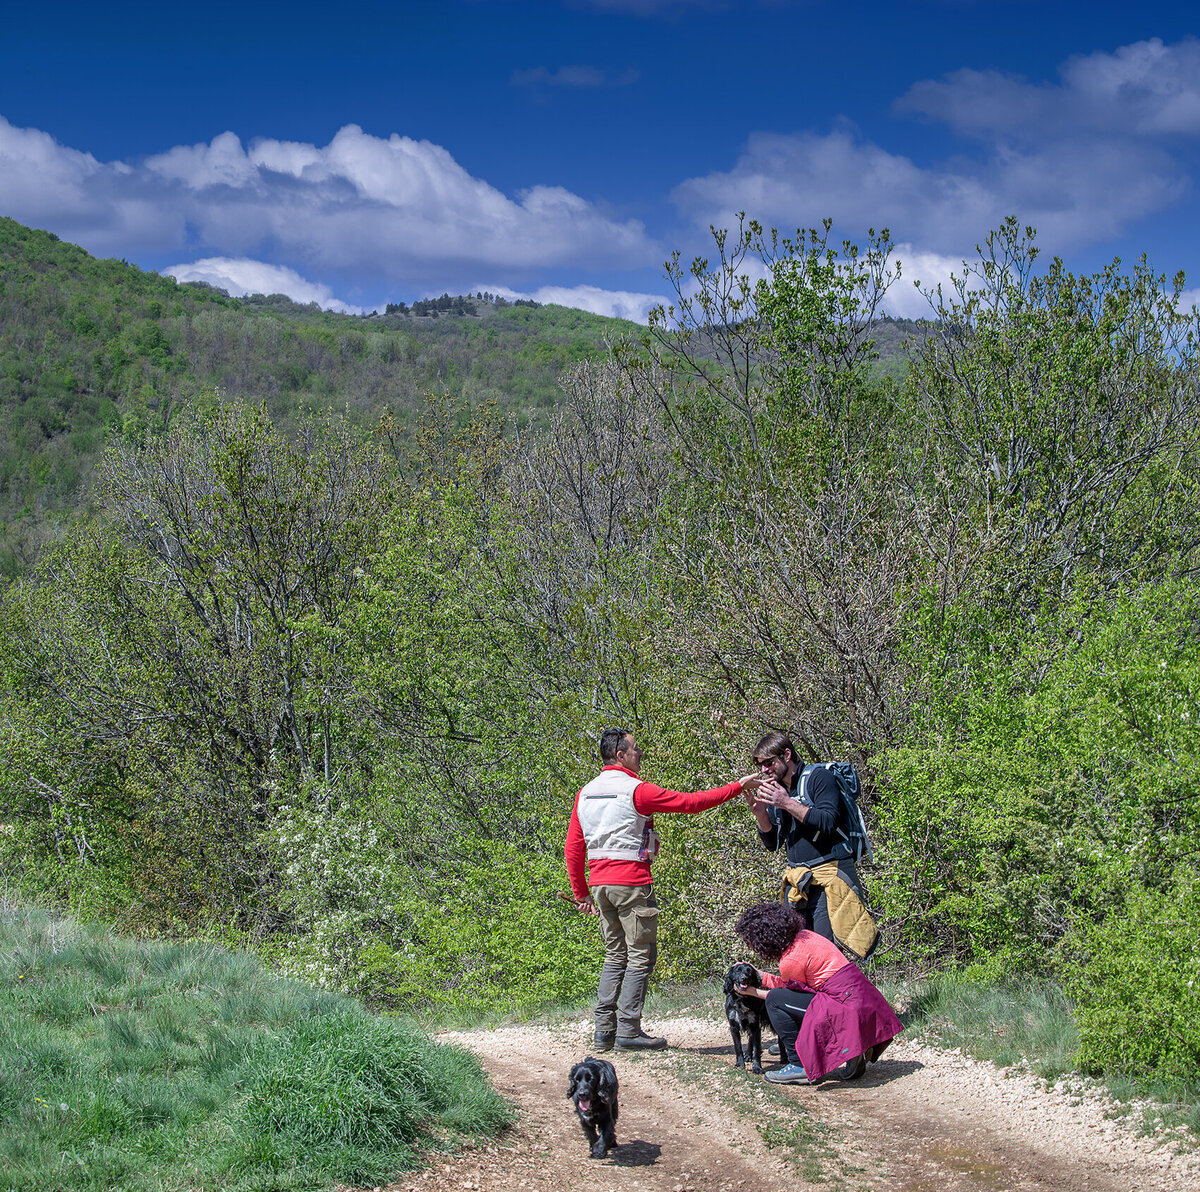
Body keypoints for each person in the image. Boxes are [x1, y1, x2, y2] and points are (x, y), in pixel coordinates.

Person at [567, 728, 762, 1052]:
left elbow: (573, 846)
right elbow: (690, 803)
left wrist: (581, 892)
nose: (640, 753)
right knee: (641, 955)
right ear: (620, 755)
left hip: (600, 884)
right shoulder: (636, 791)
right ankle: (629, 1030)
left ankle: (604, 1032)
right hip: (631, 882)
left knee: (615, 955)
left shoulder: (585, 793)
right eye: (635, 749)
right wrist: (737, 787)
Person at [732, 901, 902, 1084]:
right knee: (782, 998)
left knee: (774, 1000)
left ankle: (799, 1065)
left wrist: (753, 992)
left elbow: (785, 995)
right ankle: (852, 1050)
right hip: (861, 998)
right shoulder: (806, 936)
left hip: (842, 1005)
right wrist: (761, 976)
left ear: (763, 939)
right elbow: (796, 989)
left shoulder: (790, 960)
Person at [746, 731, 876, 959]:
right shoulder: (779, 791)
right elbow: (773, 843)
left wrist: (786, 803)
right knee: (798, 954)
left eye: (769, 763)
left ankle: (840, 995)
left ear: (787, 755)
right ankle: (811, 995)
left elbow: (828, 821)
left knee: (828, 953)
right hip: (799, 883)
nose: (765, 770)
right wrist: (761, 816)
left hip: (831, 877)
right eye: (761, 765)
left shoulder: (818, 778)